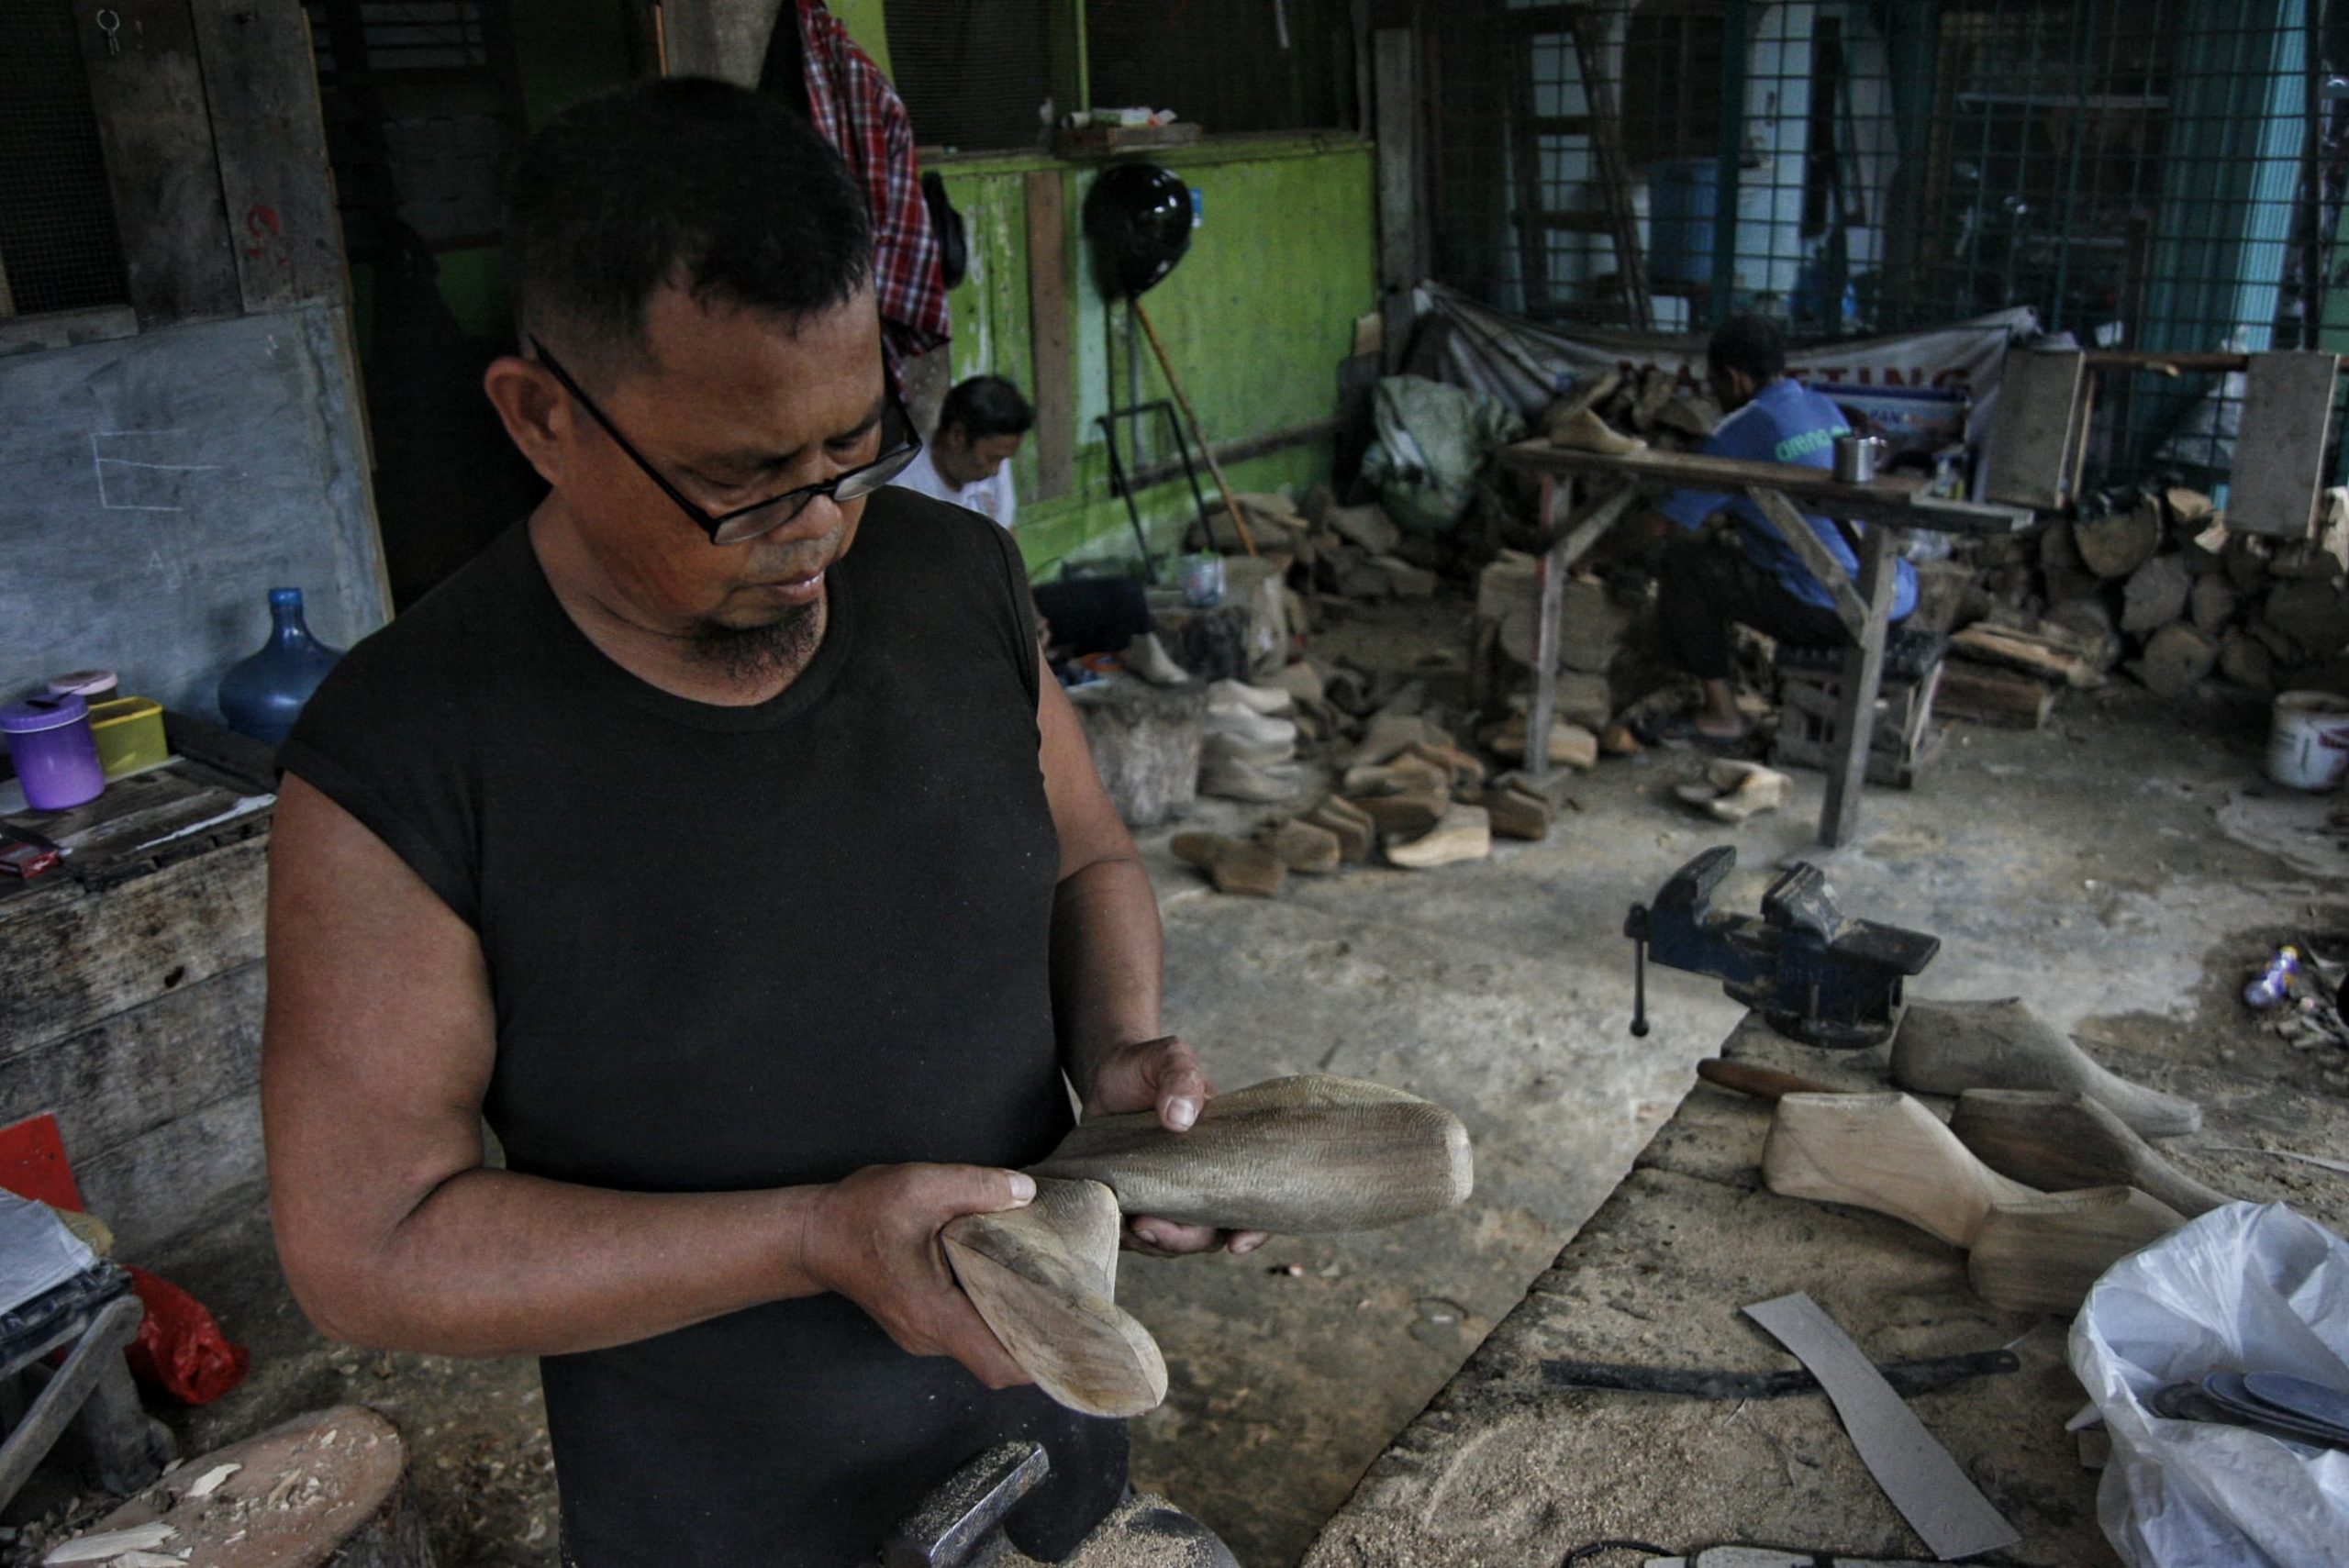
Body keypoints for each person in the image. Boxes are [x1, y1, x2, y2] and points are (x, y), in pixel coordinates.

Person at [262, 78, 1258, 1568]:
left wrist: (1119, 1056)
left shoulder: (952, 580)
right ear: (540, 416)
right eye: (738, 484)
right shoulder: (404, 752)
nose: (817, 527)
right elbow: (367, 1247)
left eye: (851, 450)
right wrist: (809, 1233)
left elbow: (1090, 859)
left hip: (1045, 1423)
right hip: (730, 1509)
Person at [1649, 314, 1917, 740]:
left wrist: (1592, 554)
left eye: (1715, 384)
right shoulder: (1821, 406)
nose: (1716, 396)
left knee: (1685, 567)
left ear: (1734, 378)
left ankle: (1722, 715)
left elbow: (1664, 524)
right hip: (1895, 594)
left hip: (1836, 609)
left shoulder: (1739, 430)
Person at [890, 374, 1187, 684]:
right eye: (991, 458)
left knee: (1123, 597)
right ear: (956, 435)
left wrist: (1029, 614)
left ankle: (1142, 666)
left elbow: (1008, 543)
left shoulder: (994, 469)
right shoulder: (903, 481)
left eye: (1002, 460)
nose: (995, 470)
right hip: (946, 625)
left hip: (997, 610)